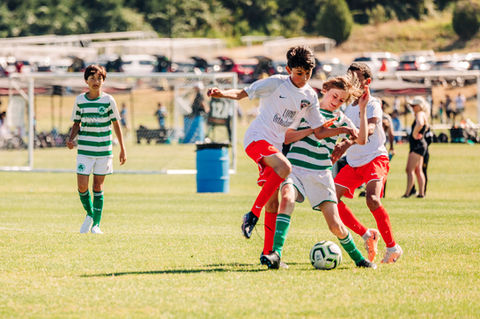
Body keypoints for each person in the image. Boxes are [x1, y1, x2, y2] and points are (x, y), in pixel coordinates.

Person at [207, 46, 327, 263]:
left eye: (308, 74)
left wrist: (346, 132)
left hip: (275, 147)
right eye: (299, 73)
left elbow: (320, 130)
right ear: (289, 69)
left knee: (273, 202)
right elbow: (243, 93)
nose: (303, 78)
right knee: (286, 168)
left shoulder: (310, 96)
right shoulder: (275, 83)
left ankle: (268, 255)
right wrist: (221, 93)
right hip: (256, 138)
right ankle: (252, 214)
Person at [261, 74, 377, 270]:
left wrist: (363, 110)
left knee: (335, 226)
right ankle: (276, 254)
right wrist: (314, 130)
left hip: (321, 173)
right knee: (287, 197)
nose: (336, 102)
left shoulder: (341, 119)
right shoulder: (306, 110)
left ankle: (358, 258)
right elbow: (287, 138)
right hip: (295, 167)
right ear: (325, 91)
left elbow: (363, 139)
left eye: (341, 100)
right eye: (334, 96)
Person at [331, 62, 403, 264]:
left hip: (374, 158)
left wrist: (346, 144)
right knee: (331, 201)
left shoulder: (373, 103)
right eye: (349, 78)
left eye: (356, 79)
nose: (352, 82)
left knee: (372, 199)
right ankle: (366, 235)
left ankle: (392, 247)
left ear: (367, 82)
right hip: (353, 163)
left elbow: (369, 130)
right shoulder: (347, 107)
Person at [67, 65, 127, 234]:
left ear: (103, 80)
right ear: (86, 80)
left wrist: (123, 149)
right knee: (81, 186)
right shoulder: (80, 100)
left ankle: (96, 225)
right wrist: (71, 139)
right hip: (85, 151)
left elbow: (116, 124)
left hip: (103, 151)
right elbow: (76, 123)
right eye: (92, 78)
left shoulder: (109, 101)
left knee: (98, 187)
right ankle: (90, 214)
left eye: (99, 78)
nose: (96, 81)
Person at [402, 96, 429, 199]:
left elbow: (420, 123)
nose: (412, 108)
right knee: (418, 170)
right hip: (420, 145)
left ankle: (407, 193)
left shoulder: (419, 114)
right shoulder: (423, 114)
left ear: (419, 106)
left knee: (409, 169)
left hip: (417, 145)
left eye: (414, 106)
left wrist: (414, 133)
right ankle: (421, 193)